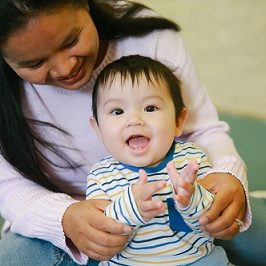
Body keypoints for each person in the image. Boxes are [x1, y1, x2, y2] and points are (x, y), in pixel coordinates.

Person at [0, 0, 252, 265]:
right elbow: (8, 186)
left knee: (246, 229)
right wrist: (63, 217)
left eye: (71, 41)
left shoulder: (148, 37)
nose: (65, 68)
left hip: (183, 208)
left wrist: (227, 173)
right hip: (77, 219)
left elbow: (202, 129)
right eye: (35, 63)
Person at [86, 54, 232, 265]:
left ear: (178, 121)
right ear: (98, 129)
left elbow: (210, 222)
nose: (134, 120)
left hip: (197, 260)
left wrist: (191, 198)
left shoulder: (191, 159)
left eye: (150, 108)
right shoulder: (101, 176)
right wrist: (131, 208)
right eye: (117, 111)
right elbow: (103, 234)